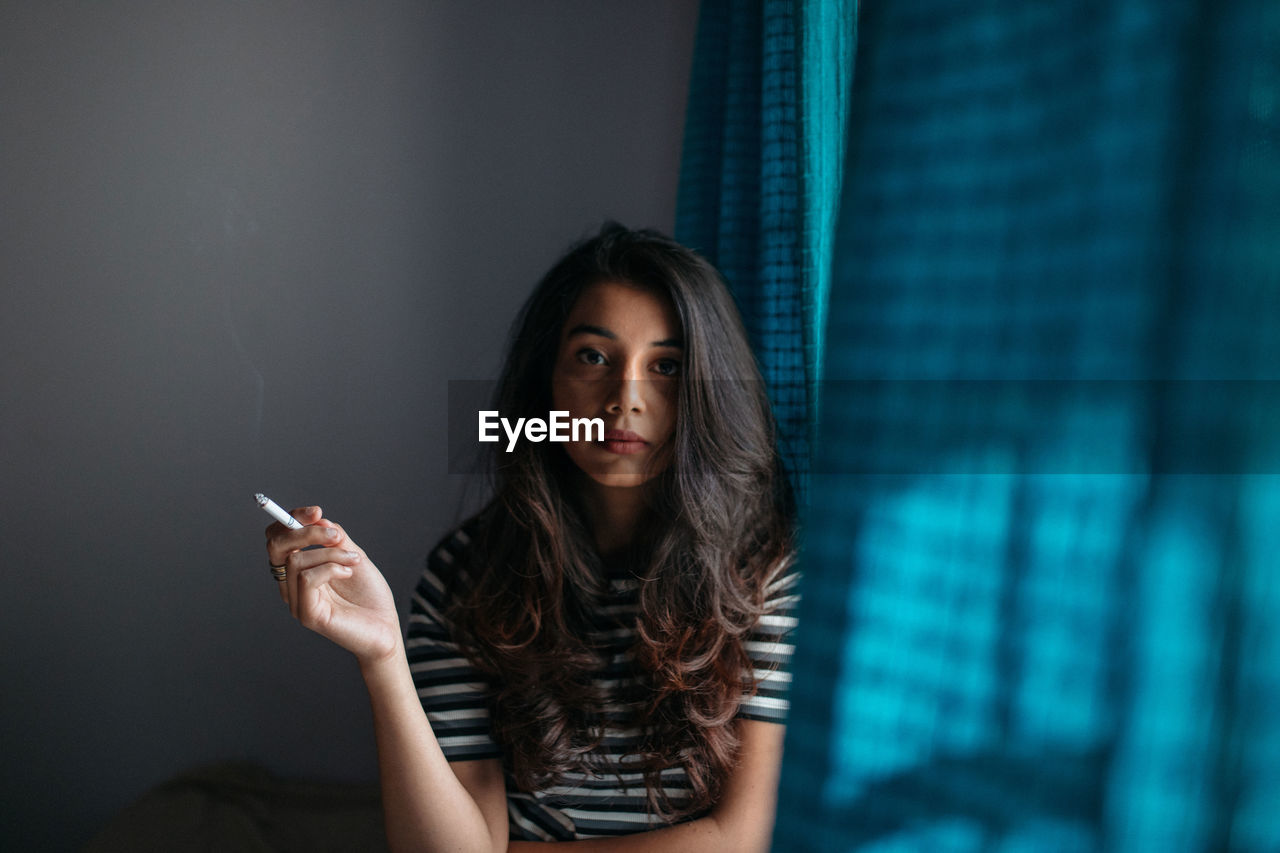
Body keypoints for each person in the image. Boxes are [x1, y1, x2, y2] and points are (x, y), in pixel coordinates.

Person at [264, 223, 800, 852]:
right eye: (593, 357)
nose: (625, 398)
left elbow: (744, 838)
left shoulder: (766, 570)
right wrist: (383, 659)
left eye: (668, 366)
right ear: (544, 383)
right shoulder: (469, 572)